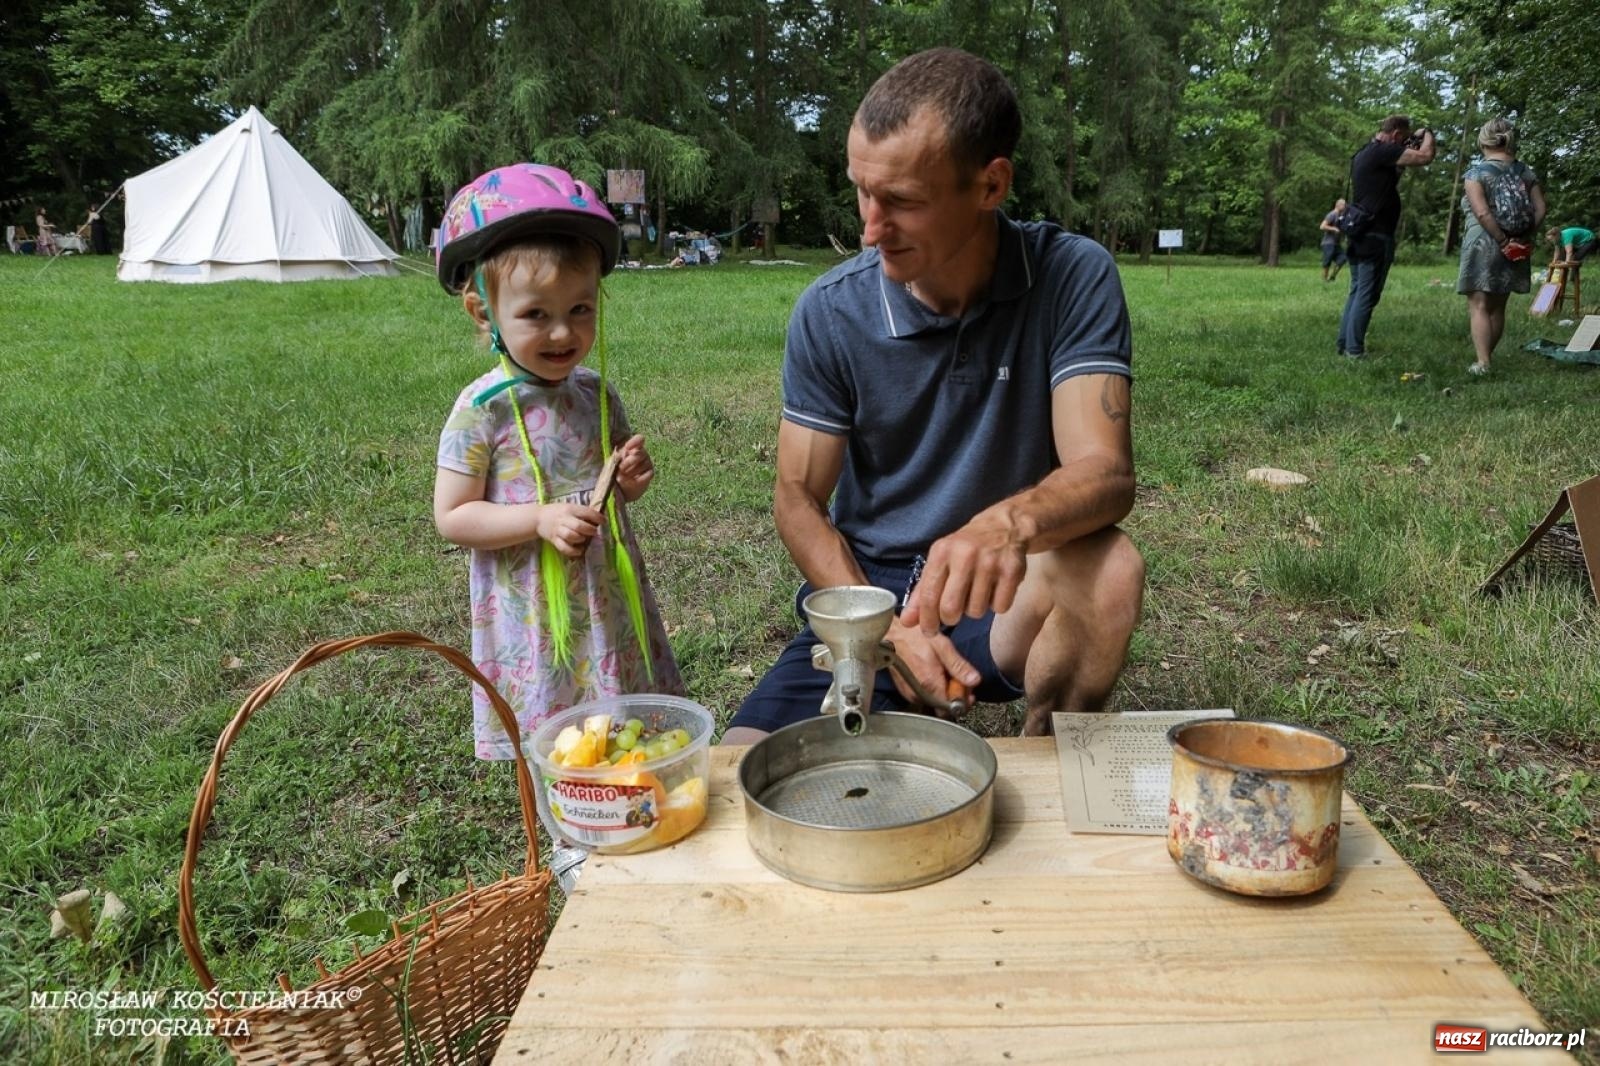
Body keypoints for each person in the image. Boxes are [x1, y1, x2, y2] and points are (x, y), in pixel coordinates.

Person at [723, 48, 1145, 745]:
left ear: (991, 185)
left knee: (1111, 567)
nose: (870, 227)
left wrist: (1002, 526)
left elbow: (1106, 472)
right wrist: (885, 630)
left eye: (904, 202)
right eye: (863, 190)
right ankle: (901, 689)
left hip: (1006, 581)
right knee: (743, 779)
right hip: (871, 593)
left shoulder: (1071, 276)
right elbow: (796, 498)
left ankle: (1042, 758)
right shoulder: (831, 312)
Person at [431, 163, 683, 764]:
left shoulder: (595, 393)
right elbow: (454, 517)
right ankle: (572, 836)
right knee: (559, 732)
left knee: (622, 721)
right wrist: (540, 519)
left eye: (581, 309)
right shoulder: (482, 409)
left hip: (605, 592)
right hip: (533, 611)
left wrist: (631, 480)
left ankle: (629, 802)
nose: (563, 332)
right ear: (483, 312)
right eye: (536, 315)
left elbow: (616, 491)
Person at [1336, 116, 1435, 359]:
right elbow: (1424, 157)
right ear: (1396, 134)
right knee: (1367, 293)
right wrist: (1428, 133)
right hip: (1376, 234)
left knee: (1358, 290)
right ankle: (1354, 351)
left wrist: (1409, 143)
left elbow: (1394, 173)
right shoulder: (1383, 152)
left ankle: (1345, 344)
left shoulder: (1366, 153)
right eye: (1404, 138)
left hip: (1361, 232)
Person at [1457, 117, 1546, 376]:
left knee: (1479, 304)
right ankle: (1486, 358)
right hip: (1518, 241)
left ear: (1483, 141)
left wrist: (1501, 240)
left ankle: (1483, 363)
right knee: (1498, 305)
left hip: (1483, 240)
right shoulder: (1525, 173)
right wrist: (1522, 236)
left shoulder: (1476, 174)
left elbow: (1482, 213)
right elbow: (1541, 208)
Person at [1319, 198, 1348, 282]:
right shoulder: (1332, 214)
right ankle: (1324, 280)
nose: (1345, 207)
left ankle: (1332, 277)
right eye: (1344, 205)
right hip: (1328, 243)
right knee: (1327, 261)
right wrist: (1334, 229)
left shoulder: (1341, 217)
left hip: (1336, 244)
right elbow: (1322, 226)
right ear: (1338, 205)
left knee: (1343, 258)